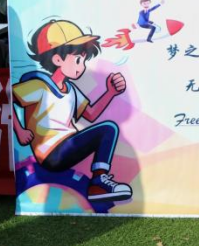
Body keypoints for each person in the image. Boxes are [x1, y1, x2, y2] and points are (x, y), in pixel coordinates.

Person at [12, 20, 131, 202]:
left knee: (108, 129)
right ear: (57, 59)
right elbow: (9, 98)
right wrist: (20, 131)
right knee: (108, 129)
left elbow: (91, 114)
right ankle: (98, 182)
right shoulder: (38, 85)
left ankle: (98, 186)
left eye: (83, 60)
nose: (81, 66)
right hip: (52, 153)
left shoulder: (71, 89)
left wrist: (110, 93)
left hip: (67, 146)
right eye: (77, 60)